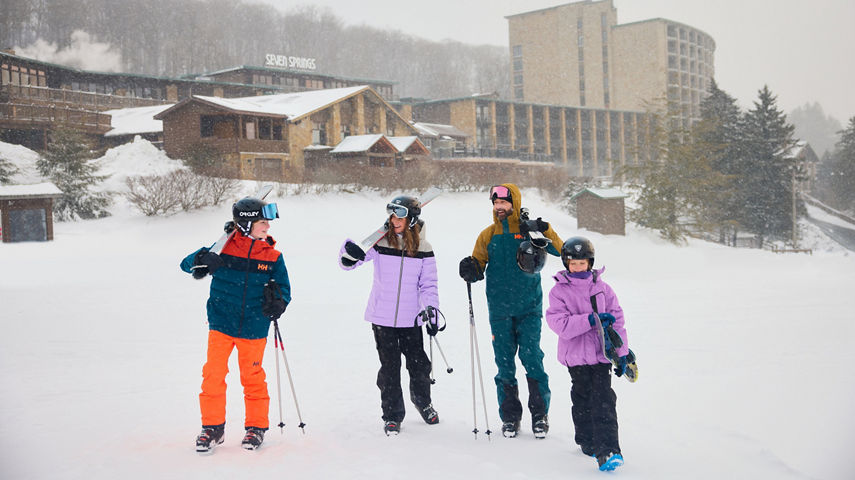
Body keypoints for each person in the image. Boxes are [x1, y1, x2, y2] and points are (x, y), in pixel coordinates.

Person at [180, 196, 290, 453]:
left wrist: (279, 303)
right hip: (221, 323)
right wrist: (202, 259)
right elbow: (186, 265)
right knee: (213, 376)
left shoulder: (273, 256)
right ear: (246, 224)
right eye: (263, 222)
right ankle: (212, 428)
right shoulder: (223, 249)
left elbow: (285, 288)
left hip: (254, 326)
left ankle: (256, 427)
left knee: (252, 378)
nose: (268, 227)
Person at [458, 183, 562, 438]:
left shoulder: (530, 231)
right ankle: (510, 418)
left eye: (503, 203)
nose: (499, 207)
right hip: (500, 309)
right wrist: (471, 268)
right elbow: (478, 263)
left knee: (532, 360)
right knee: (504, 365)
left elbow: (560, 250)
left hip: (529, 308)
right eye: (495, 203)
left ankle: (540, 416)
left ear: (513, 203)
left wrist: (544, 228)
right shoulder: (488, 234)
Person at [339, 195, 443, 436]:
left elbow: (429, 285)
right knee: (389, 368)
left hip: (411, 319)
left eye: (400, 216)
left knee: (419, 366)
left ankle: (422, 401)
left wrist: (432, 310)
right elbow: (348, 264)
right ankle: (392, 415)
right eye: (392, 215)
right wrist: (350, 251)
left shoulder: (424, 249)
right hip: (382, 318)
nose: (395, 220)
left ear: (412, 219)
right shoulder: (381, 244)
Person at [544, 236, 629, 471]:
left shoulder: (603, 288)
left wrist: (621, 352)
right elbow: (559, 324)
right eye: (573, 263)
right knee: (582, 399)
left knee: (604, 400)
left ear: (590, 263)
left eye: (582, 263)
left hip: (602, 356)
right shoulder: (558, 291)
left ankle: (608, 449)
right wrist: (590, 320)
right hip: (576, 358)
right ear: (566, 264)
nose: (578, 267)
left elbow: (618, 321)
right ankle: (586, 439)